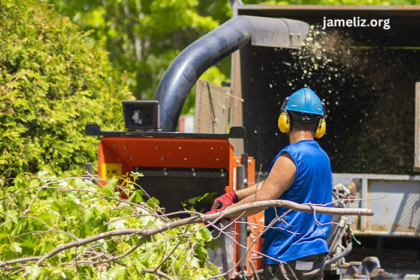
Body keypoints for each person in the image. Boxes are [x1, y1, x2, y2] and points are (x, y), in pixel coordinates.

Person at [207, 88, 332, 280]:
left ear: (286, 120)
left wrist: (223, 215)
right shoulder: (322, 157)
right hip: (314, 256)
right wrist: (234, 196)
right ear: (320, 124)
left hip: (287, 256)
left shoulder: (291, 156)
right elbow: (275, 184)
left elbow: (263, 199)